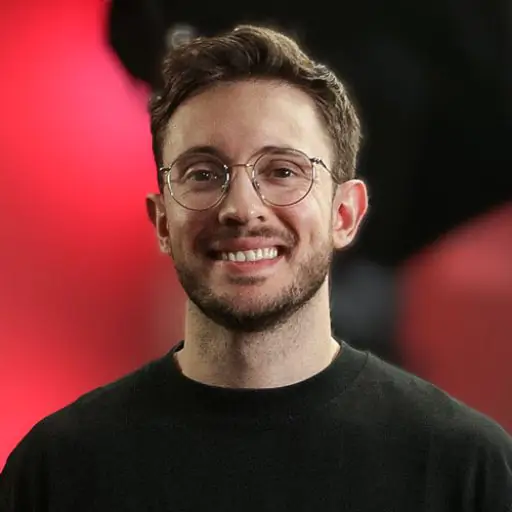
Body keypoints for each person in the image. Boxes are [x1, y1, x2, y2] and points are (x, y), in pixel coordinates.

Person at [1, 25, 511, 511]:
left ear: (345, 214)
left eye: (283, 171)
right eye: (203, 173)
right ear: (162, 221)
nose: (242, 208)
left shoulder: (469, 471)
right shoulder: (56, 471)